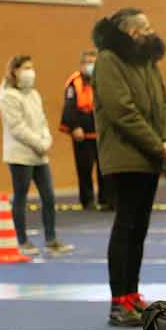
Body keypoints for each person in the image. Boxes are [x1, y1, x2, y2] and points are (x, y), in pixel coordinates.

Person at [93, 7, 166, 327]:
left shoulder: (147, 61)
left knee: (139, 229)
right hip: (125, 157)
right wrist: (158, 146)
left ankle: (132, 296)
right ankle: (119, 302)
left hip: (149, 158)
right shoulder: (108, 61)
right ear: (130, 32)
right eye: (144, 27)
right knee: (126, 226)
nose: (150, 31)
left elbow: (163, 106)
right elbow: (122, 112)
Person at [0, 56, 72, 258]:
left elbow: (42, 121)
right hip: (20, 155)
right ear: (14, 71)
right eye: (26, 68)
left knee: (48, 196)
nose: (31, 72)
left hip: (40, 154)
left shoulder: (34, 95)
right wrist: (38, 144)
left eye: (32, 67)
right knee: (20, 197)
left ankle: (51, 239)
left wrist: (46, 140)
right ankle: (22, 240)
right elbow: (17, 127)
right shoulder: (7, 96)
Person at [59, 49, 111, 210]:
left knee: (105, 169)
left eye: (93, 62)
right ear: (82, 65)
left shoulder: (105, 80)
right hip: (83, 135)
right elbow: (69, 107)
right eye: (88, 62)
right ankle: (87, 200)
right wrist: (74, 127)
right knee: (84, 168)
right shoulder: (74, 82)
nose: (91, 66)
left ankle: (106, 199)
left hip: (102, 134)